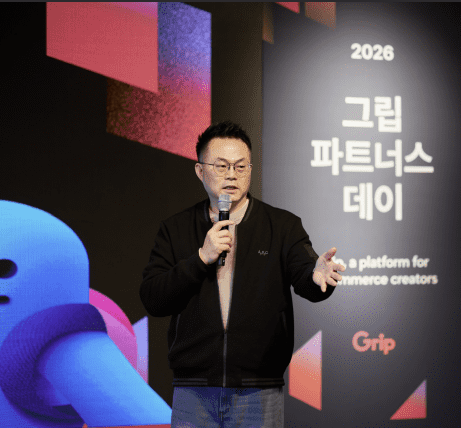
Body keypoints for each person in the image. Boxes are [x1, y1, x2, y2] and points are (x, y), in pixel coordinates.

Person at [140, 121, 345, 428]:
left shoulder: (282, 225)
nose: (232, 175)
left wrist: (317, 278)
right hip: (195, 390)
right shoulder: (176, 228)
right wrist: (201, 258)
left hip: (258, 389)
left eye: (240, 166)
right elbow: (153, 298)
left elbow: (306, 275)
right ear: (200, 170)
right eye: (221, 166)